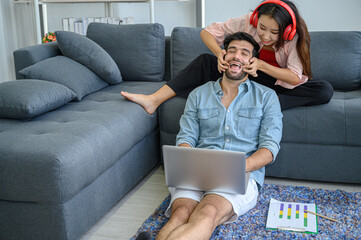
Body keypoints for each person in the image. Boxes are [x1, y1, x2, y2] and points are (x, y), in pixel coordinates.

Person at [136, 32, 283, 240]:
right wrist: (187, 160)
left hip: (241, 174)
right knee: (180, 214)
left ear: (252, 62)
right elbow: (186, 137)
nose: (236, 56)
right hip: (196, 171)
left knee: (207, 212)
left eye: (244, 53)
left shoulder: (267, 97)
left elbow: (269, 149)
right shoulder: (198, 94)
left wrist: (239, 167)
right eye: (231, 51)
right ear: (222, 56)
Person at [121, 0, 333, 113]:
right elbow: (207, 32)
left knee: (324, 89)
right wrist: (219, 53)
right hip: (247, 78)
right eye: (262, 28)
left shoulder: (294, 36)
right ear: (256, 19)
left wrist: (260, 65)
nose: (266, 36)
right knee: (205, 61)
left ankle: (268, 102)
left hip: (278, 84)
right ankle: (153, 100)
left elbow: (295, 77)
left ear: (285, 30)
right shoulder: (248, 21)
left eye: (274, 32)